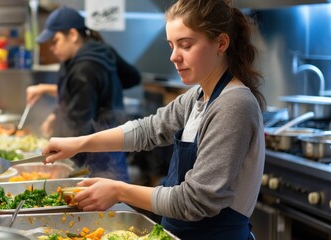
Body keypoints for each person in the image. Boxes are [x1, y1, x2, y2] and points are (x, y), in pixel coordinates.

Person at [42, 0, 265, 239]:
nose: (173, 57)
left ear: (221, 43)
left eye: (185, 45)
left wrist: (119, 191)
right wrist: (80, 143)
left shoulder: (234, 105)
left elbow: (196, 200)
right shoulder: (197, 97)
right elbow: (147, 130)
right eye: (171, 45)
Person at [32, 6, 141, 182]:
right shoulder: (98, 51)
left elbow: (78, 122)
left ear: (73, 35)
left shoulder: (85, 67)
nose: (51, 48)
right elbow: (132, 78)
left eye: (55, 41)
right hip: (108, 145)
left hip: (97, 157)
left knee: (107, 205)